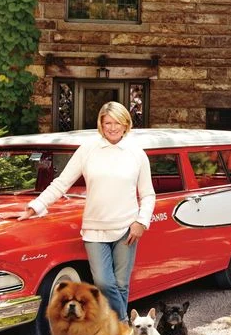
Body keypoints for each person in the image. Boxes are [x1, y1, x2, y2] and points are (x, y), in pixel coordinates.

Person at [17, 101, 154, 323]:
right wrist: (36, 206)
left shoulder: (137, 154)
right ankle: (124, 325)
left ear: (126, 124)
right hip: (94, 230)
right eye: (107, 122)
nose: (112, 127)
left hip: (127, 229)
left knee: (121, 284)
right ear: (100, 123)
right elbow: (62, 183)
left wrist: (141, 222)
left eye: (117, 122)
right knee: (103, 282)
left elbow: (148, 194)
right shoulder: (88, 149)